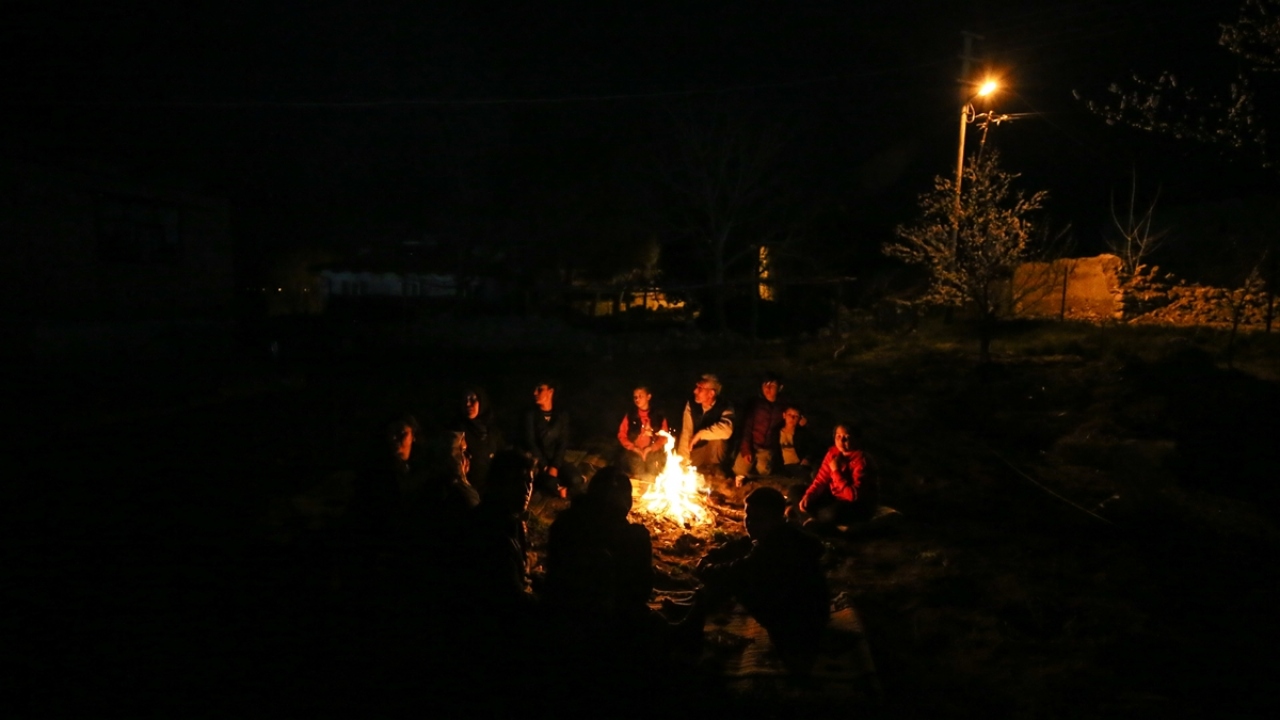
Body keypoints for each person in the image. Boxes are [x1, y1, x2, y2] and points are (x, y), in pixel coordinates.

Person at [683, 487, 829, 662]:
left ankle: (691, 627)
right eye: (748, 516)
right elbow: (740, 546)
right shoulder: (782, 532)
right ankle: (693, 613)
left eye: (758, 519)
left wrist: (705, 568)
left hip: (798, 628)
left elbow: (736, 571)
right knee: (733, 573)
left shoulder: (778, 548)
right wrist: (711, 556)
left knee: (732, 581)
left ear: (776, 519)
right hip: (809, 616)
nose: (750, 523)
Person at [544, 466, 654, 625]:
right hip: (609, 624)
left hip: (557, 617)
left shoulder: (564, 523)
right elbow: (641, 592)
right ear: (626, 501)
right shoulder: (633, 537)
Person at [464, 449, 538, 608]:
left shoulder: (512, 521)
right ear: (499, 483)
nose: (526, 489)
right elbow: (512, 598)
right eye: (518, 481)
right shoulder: (490, 531)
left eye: (529, 481)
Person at [797, 423, 878, 531]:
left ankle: (814, 522)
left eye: (847, 437)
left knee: (832, 514)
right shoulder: (832, 453)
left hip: (854, 505)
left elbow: (852, 496)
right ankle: (813, 521)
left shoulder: (862, 461)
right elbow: (821, 480)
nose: (841, 440)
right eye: (838, 436)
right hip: (833, 497)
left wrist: (836, 471)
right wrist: (808, 496)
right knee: (796, 492)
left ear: (856, 439)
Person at [522, 380, 583, 496]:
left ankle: (564, 487)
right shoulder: (531, 415)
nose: (535, 393)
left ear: (550, 392)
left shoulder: (561, 415)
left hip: (555, 460)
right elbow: (530, 442)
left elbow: (563, 442)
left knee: (576, 478)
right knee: (549, 483)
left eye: (540, 389)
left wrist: (555, 465)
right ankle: (558, 488)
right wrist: (545, 466)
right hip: (538, 463)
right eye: (535, 389)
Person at [733, 371, 787, 484]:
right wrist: (746, 449)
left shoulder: (783, 405)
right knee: (739, 470)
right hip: (752, 445)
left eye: (772, 386)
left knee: (764, 472)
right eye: (765, 385)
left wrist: (802, 420)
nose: (768, 389)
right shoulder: (755, 404)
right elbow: (746, 428)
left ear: (780, 388)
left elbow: (794, 416)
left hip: (767, 448)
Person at [677, 374, 735, 478]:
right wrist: (682, 462)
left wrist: (701, 434)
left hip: (715, 451)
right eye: (696, 387)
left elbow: (727, 430)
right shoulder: (691, 404)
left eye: (700, 388)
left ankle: (715, 467)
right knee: (684, 465)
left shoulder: (725, 406)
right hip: (698, 449)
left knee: (718, 437)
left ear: (711, 393)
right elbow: (686, 431)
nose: (695, 391)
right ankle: (699, 468)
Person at [452, 386, 504, 494]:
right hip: (468, 492)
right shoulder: (458, 431)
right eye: (465, 400)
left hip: (492, 490)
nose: (468, 404)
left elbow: (502, 457)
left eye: (473, 399)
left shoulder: (492, 431)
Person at [617, 385, 669, 478]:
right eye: (635, 397)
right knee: (638, 476)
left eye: (640, 396)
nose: (637, 399)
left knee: (653, 476)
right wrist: (633, 447)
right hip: (635, 453)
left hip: (653, 452)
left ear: (648, 397)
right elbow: (622, 434)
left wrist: (652, 448)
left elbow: (664, 436)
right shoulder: (630, 415)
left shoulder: (658, 415)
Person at [777, 405, 820, 481]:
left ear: (800, 418)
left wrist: (807, 458)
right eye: (789, 414)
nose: (792, 418)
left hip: (800, 463)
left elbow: (813, 446)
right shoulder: (776, 432)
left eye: (796, 416)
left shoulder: (802, 433)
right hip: (786, 465)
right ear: (784, 415)